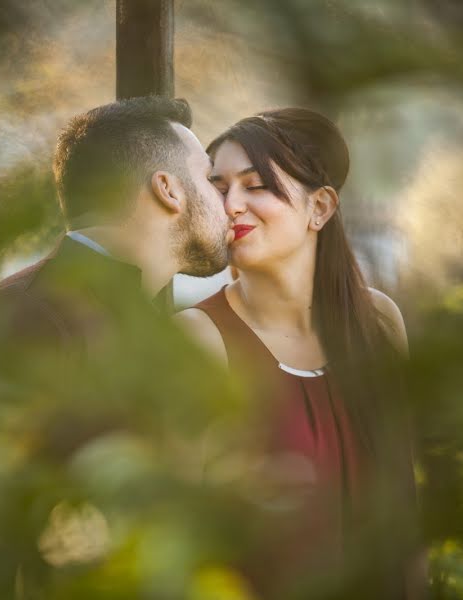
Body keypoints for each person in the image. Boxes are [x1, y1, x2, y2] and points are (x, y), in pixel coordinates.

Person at [176, 108, 422, 597]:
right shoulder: (199, 336)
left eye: (255, 185)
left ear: (320, 208)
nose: (231, 205)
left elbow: (405, 510)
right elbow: (186, 541)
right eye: (219, 187)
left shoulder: (378, 324)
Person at [0, 95, 233, 455]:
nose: (229, 203)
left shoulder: (151, 320)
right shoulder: (29, 312)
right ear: (168, 190)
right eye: (212, 179)